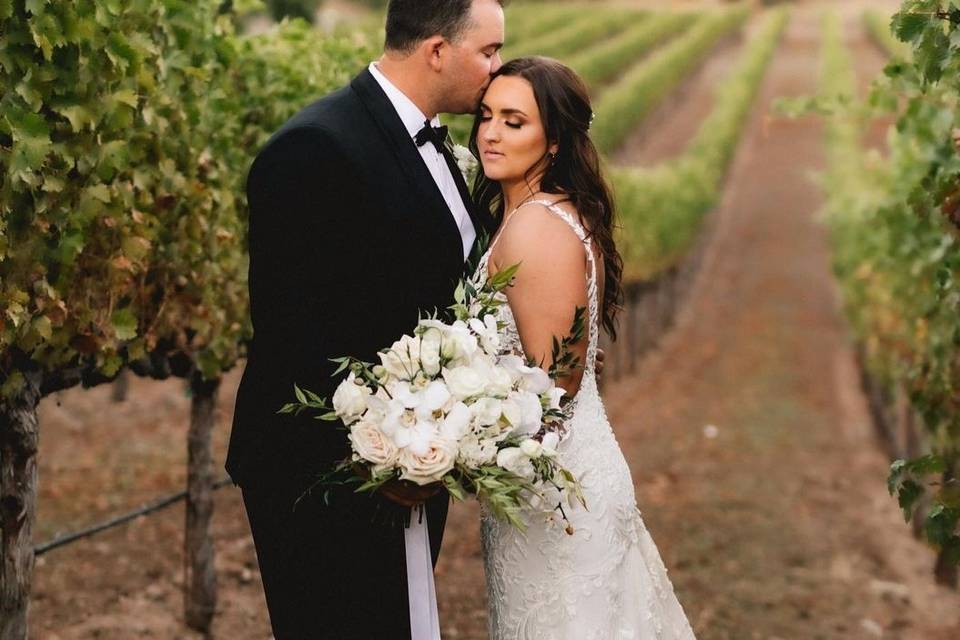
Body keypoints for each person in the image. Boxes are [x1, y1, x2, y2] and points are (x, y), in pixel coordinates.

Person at [225, 1, 505, 638]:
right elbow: (294, 333)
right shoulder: (315, 148)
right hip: (326, 478)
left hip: (409, 466)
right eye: (487, 52)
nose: (496, 68)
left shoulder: (441, 144)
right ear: (437, 51)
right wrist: (383, 458)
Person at [469, 56, 698, 639]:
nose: (490, 133)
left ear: (553, 141)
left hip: (556, 498)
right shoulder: (544, 213)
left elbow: (554, 388)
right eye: (487, 115)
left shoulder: (535, 228)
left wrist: (459, 433)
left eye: (514, 121)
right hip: (558, 483)